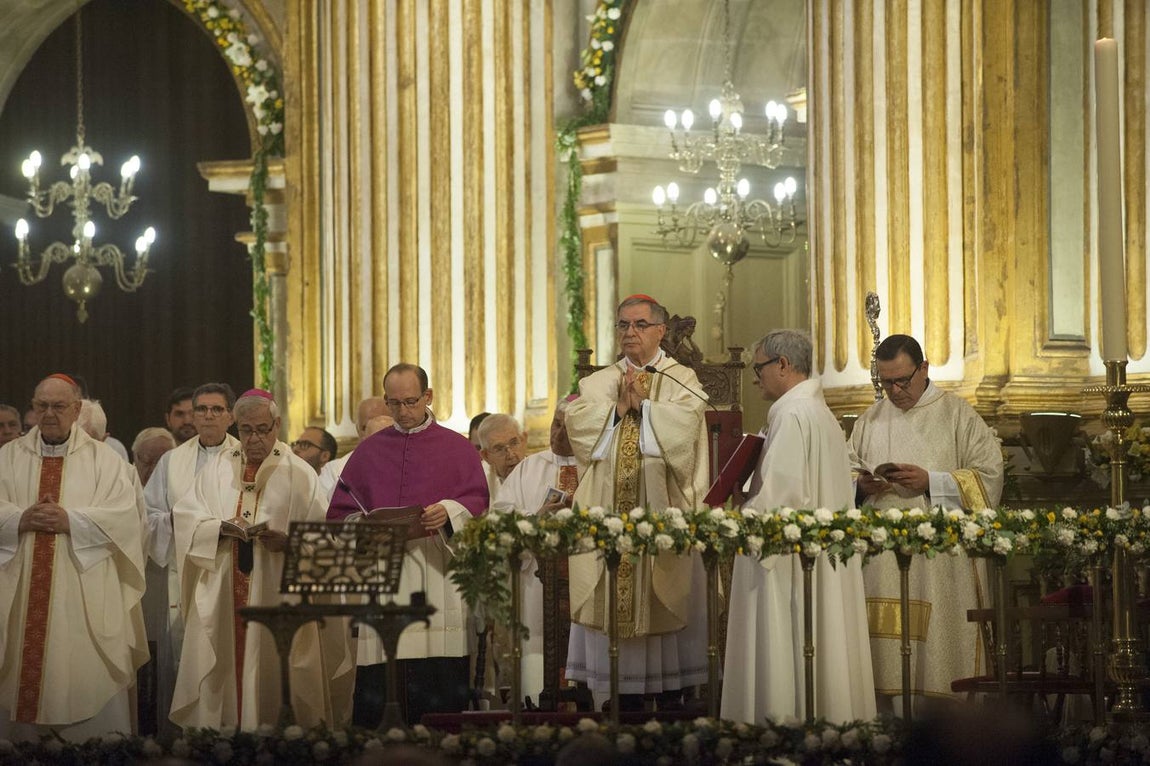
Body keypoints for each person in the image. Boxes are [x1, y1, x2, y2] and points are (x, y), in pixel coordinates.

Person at [720, 329, 876, 724]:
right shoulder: (820, 413)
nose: (756, 377)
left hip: (788, 566)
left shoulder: (791, 414)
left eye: (759, 368)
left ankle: (777, 730)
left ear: (783, 366)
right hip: (820, 560)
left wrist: (741, 509)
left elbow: (780, 502)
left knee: (785, 652)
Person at [563, 294, 708, 710]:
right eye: (623, 325)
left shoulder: (682, 378)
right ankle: (615, 700)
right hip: (606, 513)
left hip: (660, 509)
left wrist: (644, 408)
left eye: (640, 325)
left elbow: (687, 431)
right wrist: (616, 410)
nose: (630, 333)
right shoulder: (598, 382)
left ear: (661, 331)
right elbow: (578, 428)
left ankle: (667, 696)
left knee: (662, 590)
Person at [171, 389, 345, 729]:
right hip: (224, 593)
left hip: (279, 591)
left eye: (263, 429)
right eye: (246, 430)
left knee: (274, 670)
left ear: (277, 425)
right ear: (236, 427)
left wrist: (290, 542)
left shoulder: (300, 474)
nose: (254, 438)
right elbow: (188, 518)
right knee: (225, 668)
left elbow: (325, 540)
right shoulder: (217, 469)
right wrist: (218, 529)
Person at [849, 334, 1004, 711]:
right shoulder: (870, 419)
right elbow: (848, 466)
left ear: (924, 369)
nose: (895, 390)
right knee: (881, 657)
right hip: (881, 559)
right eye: (886, 382)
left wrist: (931, 482)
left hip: (939, 564)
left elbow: (990, 476)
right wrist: (859, 484)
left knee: (934, 653)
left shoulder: (957, 414)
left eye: (903, 380)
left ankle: (942, 728)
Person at [328, 363, 489, 726]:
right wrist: (366, 526)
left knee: (438, 671)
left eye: (411, 402)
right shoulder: (368, 452)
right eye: (394, 403)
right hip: (387, 575)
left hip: (438, 573)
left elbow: (478, 502)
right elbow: (339, 515)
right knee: (385, 675)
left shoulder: (457, 447)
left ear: (428, 397)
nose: (403, 411)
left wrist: (448, 513)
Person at [0, 374, 147, 741]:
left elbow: (126, 517)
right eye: (41, 406)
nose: (48, 414)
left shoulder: (106, 461)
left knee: (87, 673)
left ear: (77, 409)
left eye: (58, 406)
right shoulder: (6, 457)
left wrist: (72, 521)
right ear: (32, 408)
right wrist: (19, 519)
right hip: (19, 591)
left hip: (84, 591)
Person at [142, 382, 240, 736]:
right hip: (183, 576)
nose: (208, 416)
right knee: (184, 661)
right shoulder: (172, 461)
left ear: (231, 415)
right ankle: (180, 745)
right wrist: (177, 521)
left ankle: (231, 739)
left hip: (229, 574)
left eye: (217, 409)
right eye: (201, 409)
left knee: (227, 665)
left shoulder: (246, 458)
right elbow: (148, 517)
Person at [491, 397, 579, 704]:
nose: (557, 435)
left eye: (567, 429)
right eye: (555, 424)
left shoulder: (601, 467)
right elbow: (498, 521)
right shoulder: (528, 468)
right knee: (538, 669)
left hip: (586, 584)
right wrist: (533, 521)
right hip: (537, 587)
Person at [318, 411, 395, 502]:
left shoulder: (411, 468)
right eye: (376, 441)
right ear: (364, 441)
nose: (383, 447)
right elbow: (332, 508)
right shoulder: (346, 477)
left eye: (389, 440)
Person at [478, 413, 527, 498]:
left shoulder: (544, 473)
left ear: (523, 440)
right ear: (486, 456)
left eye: (514, 443)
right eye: (499, 449)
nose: (511, 455)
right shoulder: (480, 486)